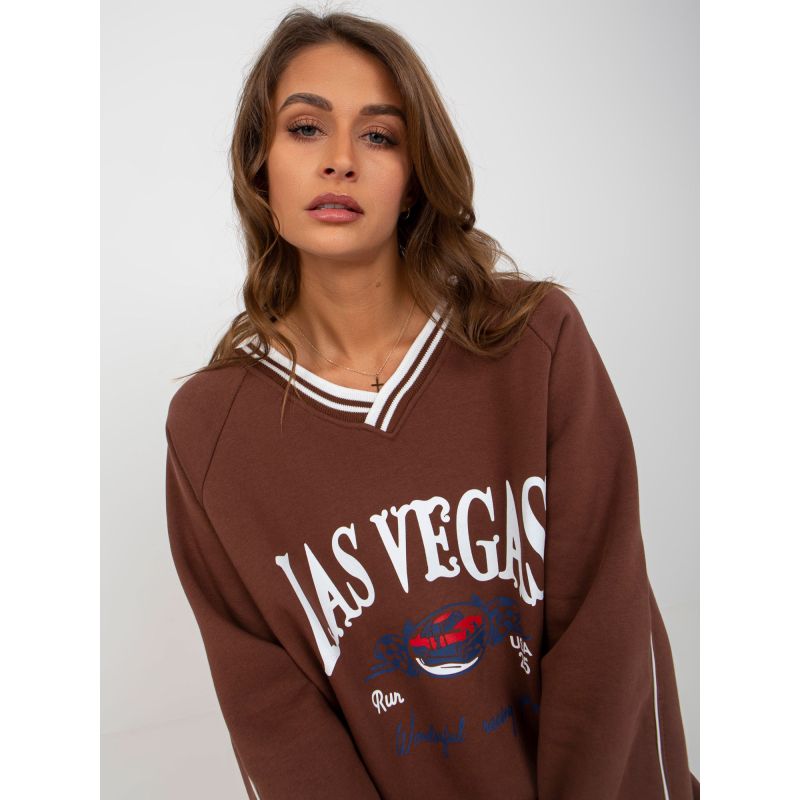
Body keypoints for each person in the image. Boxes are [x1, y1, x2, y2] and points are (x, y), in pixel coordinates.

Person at [164, 8, 699, 799]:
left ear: (414, 179)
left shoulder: (534, 342)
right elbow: (274, 722)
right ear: (259, 165)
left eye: (379, 135)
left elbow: (607, 629)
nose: (340, 160)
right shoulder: (212, 432)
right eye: (306, 128)